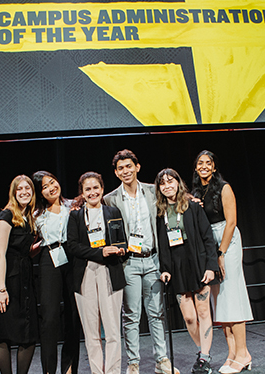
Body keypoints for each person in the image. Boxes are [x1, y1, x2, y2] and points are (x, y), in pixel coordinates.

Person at [103, 149, 179, 374]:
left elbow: (176, 200)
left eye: (129, 166)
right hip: (129, 263)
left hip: (153, 259)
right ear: (116, 173)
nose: (125, 171)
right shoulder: (111, 198)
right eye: (121, 168)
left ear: (137, 167)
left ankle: (162, 360)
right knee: (131, 316)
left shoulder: (153, 191)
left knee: (156, 313)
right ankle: (133, 363)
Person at [192, 150, 253, 374]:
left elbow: (231, 222)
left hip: (226, 242)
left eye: (209, 163)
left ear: (214, 167)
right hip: (210, 243)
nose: (205, 166)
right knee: (220, 302)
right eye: (200, 163)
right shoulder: (196, 191)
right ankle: (231, 353)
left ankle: (243, 353)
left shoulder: (224, 188)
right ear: (196, 167)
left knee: (232, 296)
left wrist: (220, 252)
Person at [155, 168, 219, 374]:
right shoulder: (160, 212)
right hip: (177, 267)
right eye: (162, 183)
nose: (167, 186)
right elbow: (162, 245)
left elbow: (208, 238)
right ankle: (202, 352)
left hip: (198, 263)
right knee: (190, 317)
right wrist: (164, 269)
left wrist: (211, 267)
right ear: (159, 188)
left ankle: (204, 358)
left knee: (203, 311)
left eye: (170, 181)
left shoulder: (192, 206)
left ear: (178, 183)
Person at [67, 171, 127, 374]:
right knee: (91, 331)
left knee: (112, 330)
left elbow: (122, 240)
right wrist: (100, 252)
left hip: (110, 272)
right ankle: (96, 371)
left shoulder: (113, 212)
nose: (92, 192)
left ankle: (112, 371)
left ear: (102, 189)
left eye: (96, 188)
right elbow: (73, 246)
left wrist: (121, 249)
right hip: (84, 274)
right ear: (82, 193)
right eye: (88, 189)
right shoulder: (75, 216)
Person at [0, 175, 39, 374]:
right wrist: (1, 290)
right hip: (7, 280)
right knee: (3, 335)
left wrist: (45, 243)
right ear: (14, 193)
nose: (24, 192)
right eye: (20, 189)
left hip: (25, 279)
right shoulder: (6, 216)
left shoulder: (29, 217)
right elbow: (1, 254)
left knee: (29, 335)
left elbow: (26, 251)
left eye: (28, 189)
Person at [32, 171, 81, 374]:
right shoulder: (35, 215)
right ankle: (49, 370)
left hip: (72, 258)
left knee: (73, 315)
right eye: (45, 186)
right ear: (40, 193)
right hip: (48, 258)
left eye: (52, 182)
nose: (51, 187)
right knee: (50, 318)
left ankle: (69, 369)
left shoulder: (73, 206)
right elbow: (29, 243)